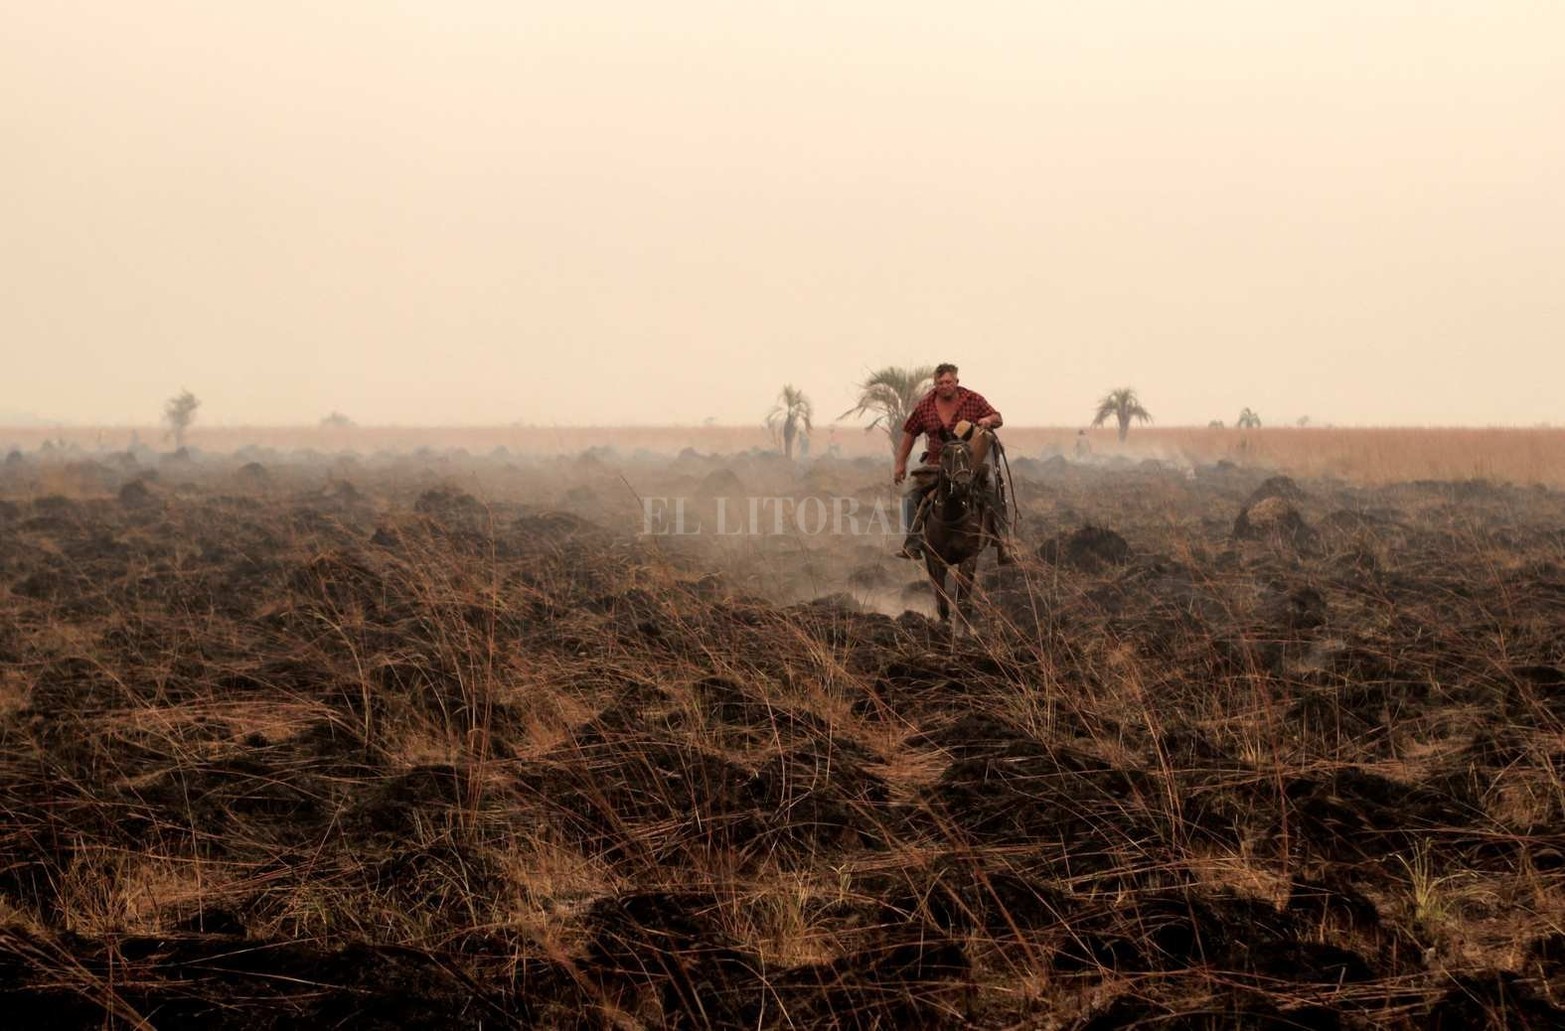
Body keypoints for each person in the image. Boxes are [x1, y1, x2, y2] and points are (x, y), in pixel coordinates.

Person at [893, 363, 1013, 564]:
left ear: (956, 382)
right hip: (936, 465)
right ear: (935, 384)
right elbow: (910, 432)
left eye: (949, 382)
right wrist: (900, 464)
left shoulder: (972, 400)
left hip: (969, 466)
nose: (945, 386)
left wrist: (987, 420)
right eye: (940, 383)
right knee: (910, 491)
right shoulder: (925, 405)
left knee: (991, 485)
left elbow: (997, 418)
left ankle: (1002, 542)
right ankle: (912, 543)